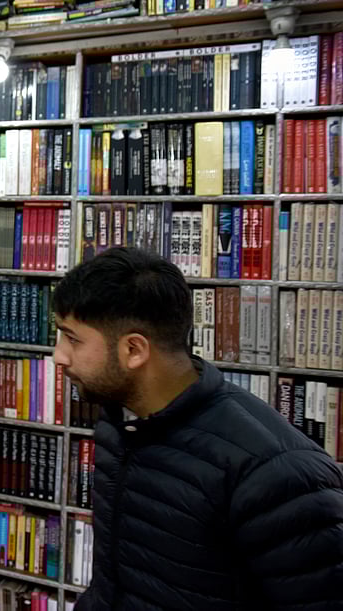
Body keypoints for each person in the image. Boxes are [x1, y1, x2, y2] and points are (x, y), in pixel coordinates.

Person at [52, 246, 343, 610]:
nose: (58, 356)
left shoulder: (275, 474)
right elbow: (118, 578)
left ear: (134, 350)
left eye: (72, 338)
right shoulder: (120, 421)